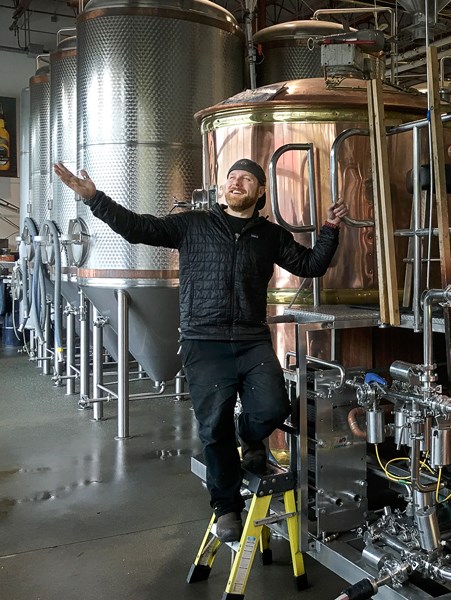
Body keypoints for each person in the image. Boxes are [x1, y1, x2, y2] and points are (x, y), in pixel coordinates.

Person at [54, 158, 348, 542]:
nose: (236, 182)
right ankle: (226, 506)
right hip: (203, 341)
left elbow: (311, 265)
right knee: (213, 428)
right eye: (231, 178)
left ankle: (250, 434)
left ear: (260, 192)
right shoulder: (193, 224)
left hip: (251, 339)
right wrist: (95, 199)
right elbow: (138, 229)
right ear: (224, 188)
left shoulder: (269, 235)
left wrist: (330, 229)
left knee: (274, 409)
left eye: (246, 179)